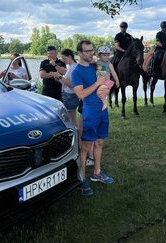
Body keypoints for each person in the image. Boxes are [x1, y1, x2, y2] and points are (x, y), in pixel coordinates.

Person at [71, 40, 114, 196]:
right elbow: (81, 94)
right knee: (86, 147)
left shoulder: (95, 65)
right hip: (90, 111)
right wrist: (97, 83)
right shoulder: (76, 72)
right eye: (87, 51)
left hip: (102, 109)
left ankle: (97, 172)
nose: (91, 53)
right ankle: (82, 178)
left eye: (91, 50)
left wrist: (107, 89)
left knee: (100, 142)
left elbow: (107, 80)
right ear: (80, 53)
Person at [56, 49, 79, 126]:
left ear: (69, 56)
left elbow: (72, 84)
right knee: (69, 119)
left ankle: (76, 136)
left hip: (71, 96)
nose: (63, 60)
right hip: (68, 95)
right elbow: (66, 82)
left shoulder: (74, 67)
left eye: (64, 58)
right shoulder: (71, 66)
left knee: (71, 121)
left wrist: (59, 76)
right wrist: (58, 78)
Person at [96, 46, 120, 111]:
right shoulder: (97, 63)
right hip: (99, 83)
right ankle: (102, 105)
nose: (106, 57)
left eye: (108, 55)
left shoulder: (109, 64)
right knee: (99, 96)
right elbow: (99, 72)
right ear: (99, 56)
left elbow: (113, 72)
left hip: (106, 83)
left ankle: (103, 106)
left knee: (102, 95)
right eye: (104, 55)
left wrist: (117, 80)